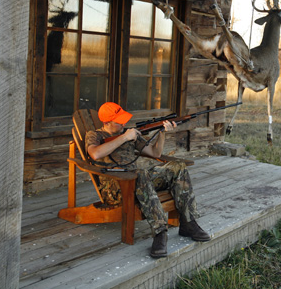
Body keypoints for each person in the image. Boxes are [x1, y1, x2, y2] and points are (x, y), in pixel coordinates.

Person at [85, 102, 210, 258]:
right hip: (117, 187)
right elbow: (95, 154)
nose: (123, 124)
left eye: (123, 120)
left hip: (139, 180)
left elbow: (155, 153)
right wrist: (124, 137)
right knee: (141, 173)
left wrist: (162, 132)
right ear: (106, 122)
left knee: (178, 166)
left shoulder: (129, 133)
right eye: (119, 121)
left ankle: (188, 223)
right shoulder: (95, 135)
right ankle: (160, 232)